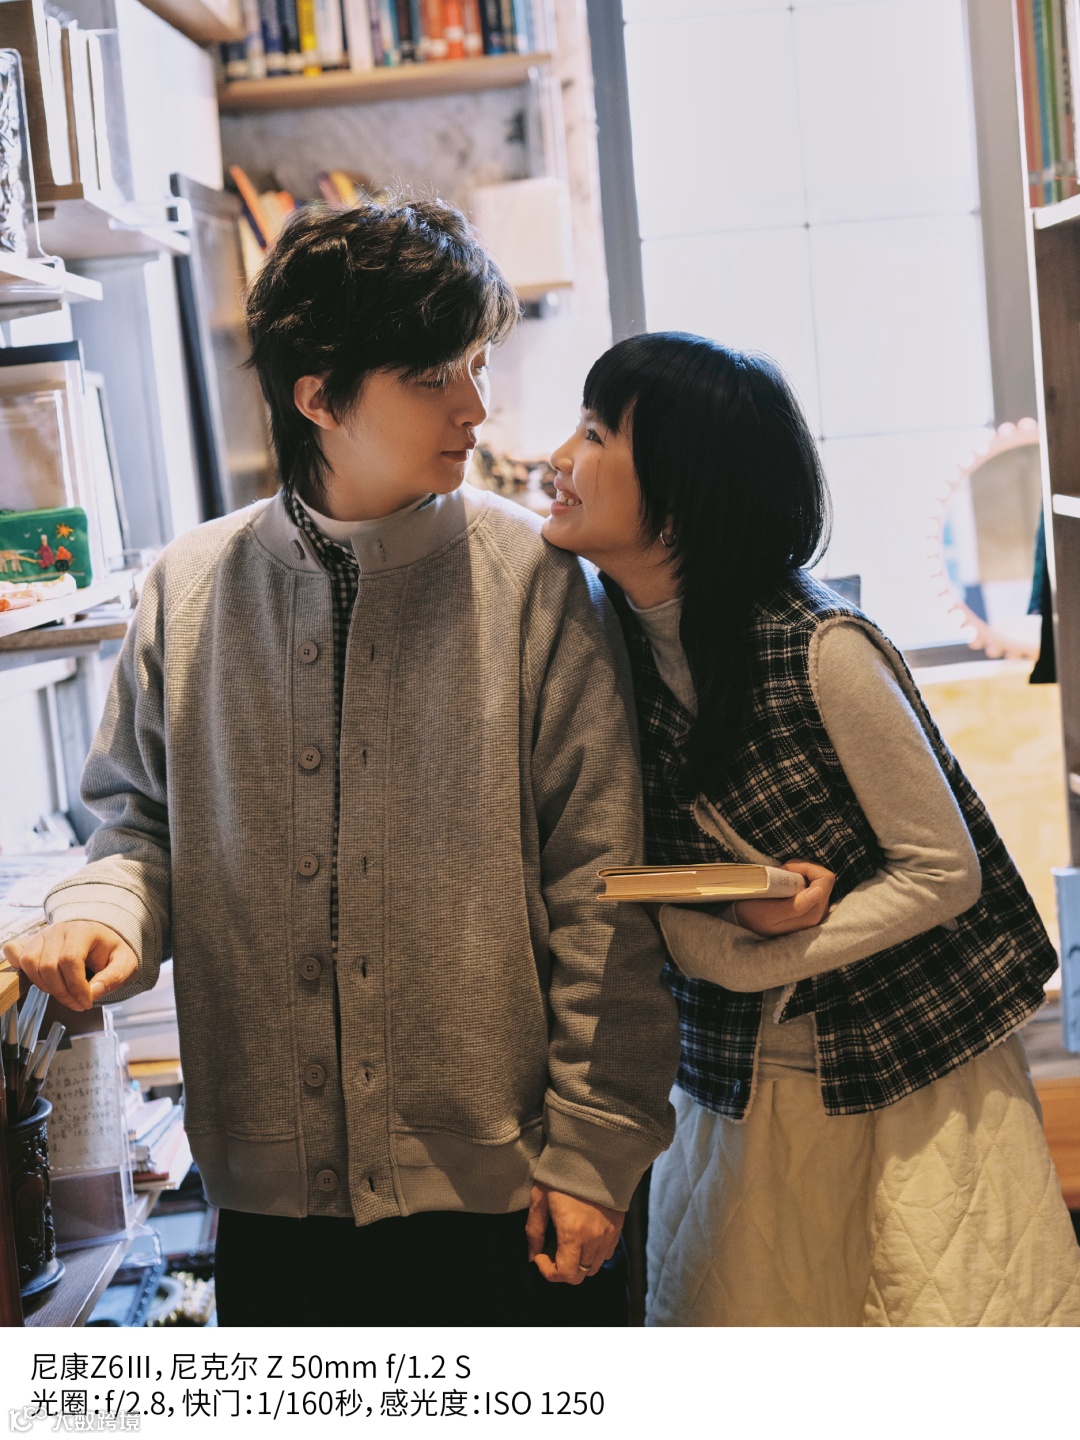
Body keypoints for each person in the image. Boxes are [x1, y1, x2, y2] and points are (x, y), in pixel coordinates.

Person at [2, 201, 680, 1327]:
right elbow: (137, 827)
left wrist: (595, 1149)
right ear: (318, 396)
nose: (475, 406)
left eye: (477, 364)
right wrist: (105, 915)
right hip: (275, 1216)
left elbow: (604, 886)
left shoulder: (537, 583)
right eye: (433, 376)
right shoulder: (189, 588)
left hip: (513, 1200)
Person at [542, 330, 1080, 1326]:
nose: (557, 460)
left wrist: (759, 957)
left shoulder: (819, 649)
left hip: (915, 1076)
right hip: (738, 1087)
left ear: (682, 491)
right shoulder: (601, 647)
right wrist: (726, 939)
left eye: (594, 433)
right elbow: (637, 883)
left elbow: (945, 871)